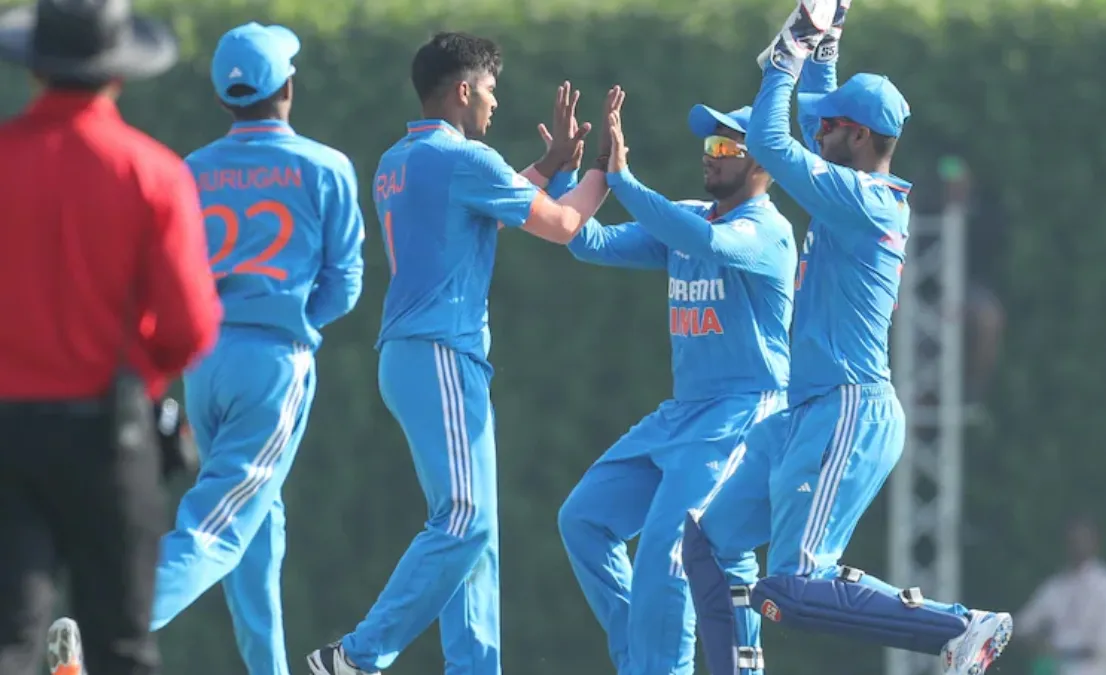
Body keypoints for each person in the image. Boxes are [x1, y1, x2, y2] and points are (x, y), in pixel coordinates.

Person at [676, 2, 1013, 675]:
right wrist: (827, 40)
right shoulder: (849, 177)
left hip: (848, 410)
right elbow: (808, 120)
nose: (817, 128)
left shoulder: (867, 200)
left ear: (857, 136)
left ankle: (960, 625)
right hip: (808, 411)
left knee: (793, 589)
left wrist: (787, 55)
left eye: (829, 126)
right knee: (708, 544)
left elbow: (770, 140)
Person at [48, 20, 366, 675]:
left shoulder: (191, 170)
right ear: (288, 88)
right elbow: (345, 283)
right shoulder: (326, 166)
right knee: (218, 528)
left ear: (225, 97)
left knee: (255, 524)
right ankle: (103, 626)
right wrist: (292, 324)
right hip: (273, 362)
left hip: (205, 364)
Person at [305, 31, 613, 675]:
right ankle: (355, 658)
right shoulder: (466, 159)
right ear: (464, 90)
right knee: (466, 521)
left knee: (475, 534)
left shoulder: (399, 159)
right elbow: (561, 224)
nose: (496, 103)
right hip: (441, 354)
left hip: (415, 357)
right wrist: (604, 169)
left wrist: (549, 164)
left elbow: (482, 210)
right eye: (491, 90)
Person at [0, 0, 223, 674]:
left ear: (35, 70)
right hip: (109, 432)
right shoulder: (152, 172)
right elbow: (190, 327)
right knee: (121, 647)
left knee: (8, 640)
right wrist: (135, 369)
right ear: (119, 73)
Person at [556, 101, 795, 675]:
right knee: (584, 520)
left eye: (727, 147)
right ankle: (641, 660)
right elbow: (589, 242)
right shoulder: (688, 217)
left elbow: (713, 245)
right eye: (709, 146)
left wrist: (625, 180)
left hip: (744, 414)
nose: (711, 157)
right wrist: (569, 173)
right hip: (682, 416)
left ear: (763, 161)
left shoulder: (767, 231)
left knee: (671, 554)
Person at [1015, 516, 1106, 675]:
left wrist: (1056, 652)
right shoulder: (1056, 586)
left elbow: (1102, 646)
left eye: (1083, 539)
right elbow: (1021, 627)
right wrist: (1037, 643)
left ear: (1095, 542)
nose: (1077, 545)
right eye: (1073, 540)